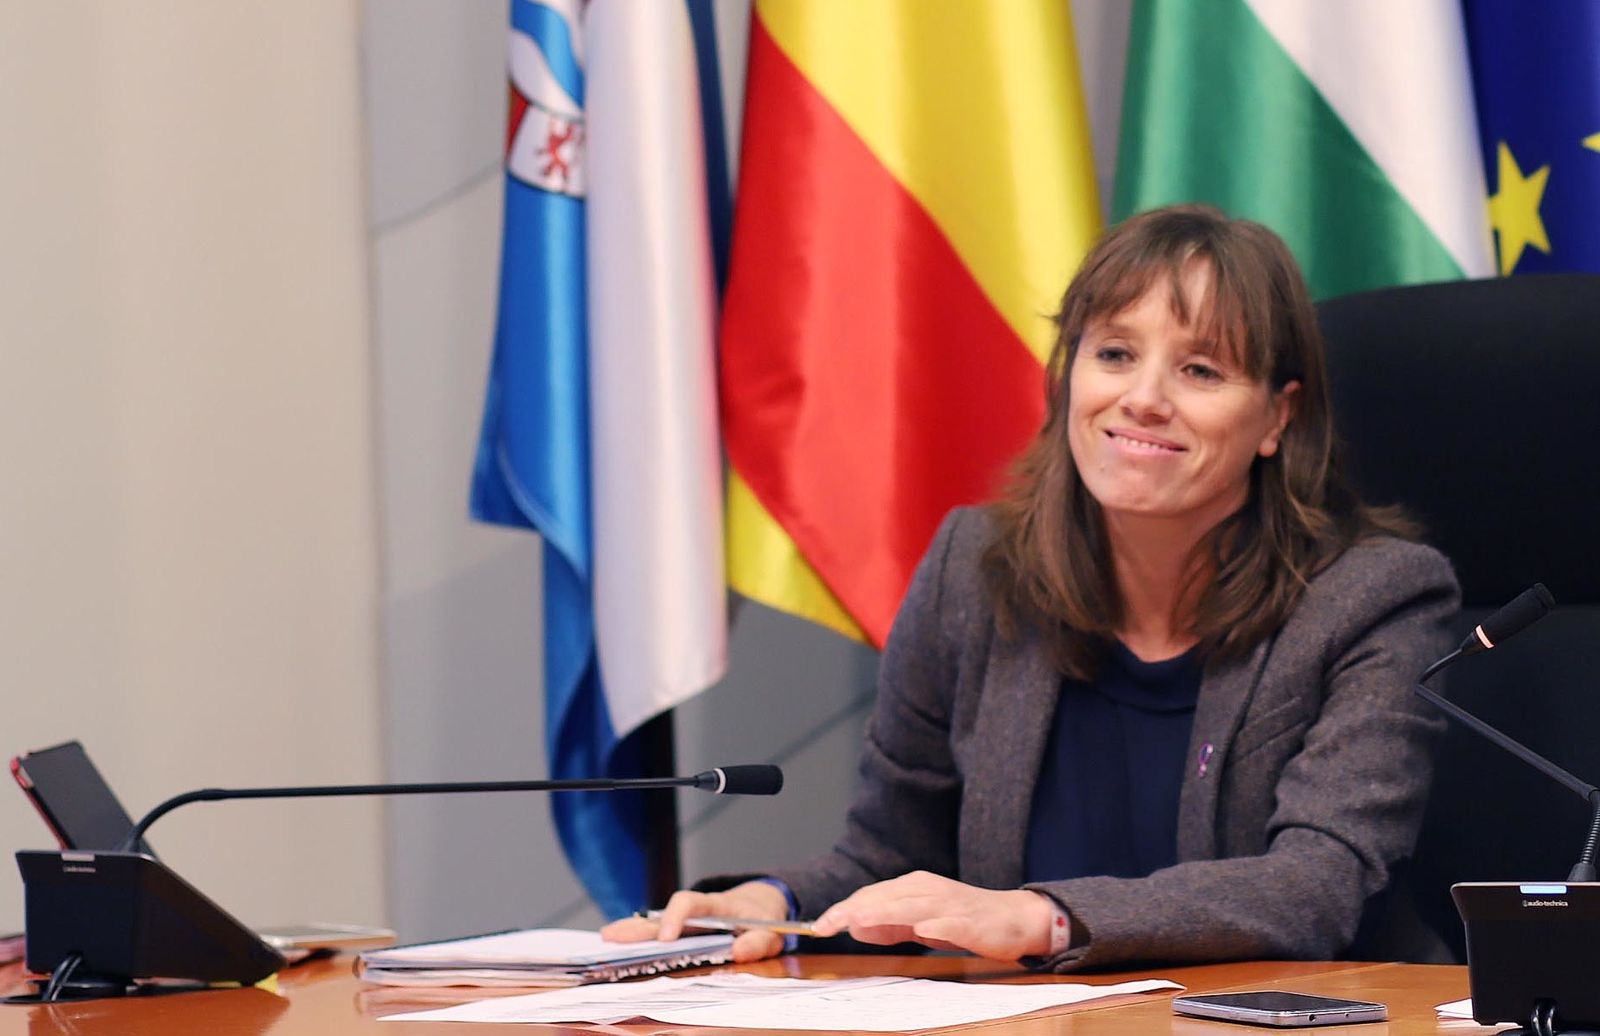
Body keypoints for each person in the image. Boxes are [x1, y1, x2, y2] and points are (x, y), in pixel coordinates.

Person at [604, 204, 1459, 970]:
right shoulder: (973, 571)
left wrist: (1046, 918)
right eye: (1115, 354)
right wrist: (774, 905)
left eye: (1201, 371)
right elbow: (890, 852)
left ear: (1278, 418)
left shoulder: (1373, 599)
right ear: (1068, 377)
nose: (1144, 399)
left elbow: (1315, 884)